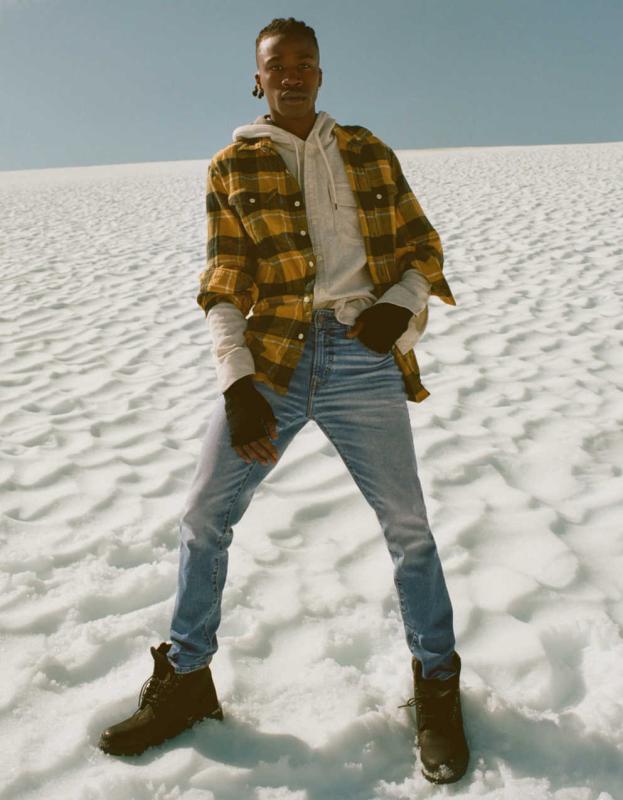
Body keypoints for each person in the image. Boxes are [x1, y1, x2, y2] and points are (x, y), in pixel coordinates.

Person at [98, 16, 469, 785]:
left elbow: (422, 248)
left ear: (320, 75)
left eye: (305, 62)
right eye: (278, 65)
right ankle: (187, 681)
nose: (292, 74)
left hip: (363, 357)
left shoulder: (367, 151)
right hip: (272, 359)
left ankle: (436, 685)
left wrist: (398, 306)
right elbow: (224, 279)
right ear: (257, 79)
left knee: (408, 528)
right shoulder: (232, 166)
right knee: (205, 517)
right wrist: (237, 383)